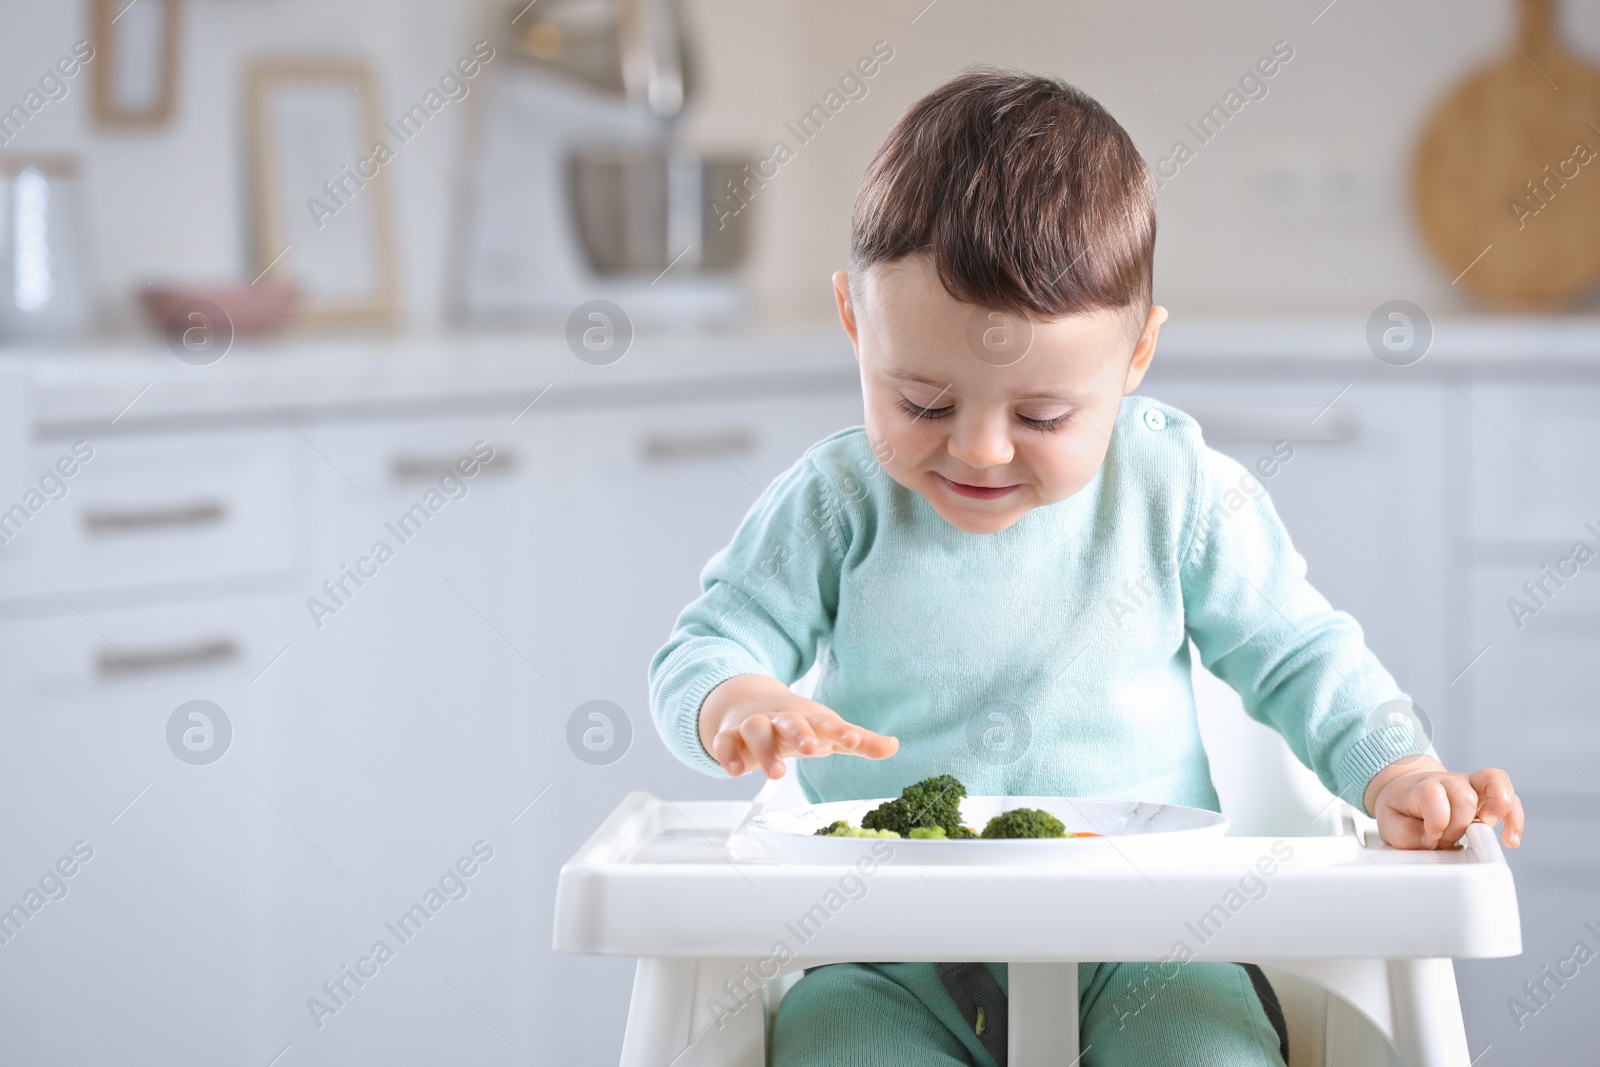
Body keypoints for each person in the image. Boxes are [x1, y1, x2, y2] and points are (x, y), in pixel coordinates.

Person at [647, 67, 1525, 1067]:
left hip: (1153, 939)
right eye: (923, 402)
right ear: (856, 321)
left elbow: (1297, 652)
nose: (978, 448)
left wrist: (1396, 769)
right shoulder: (836, 501)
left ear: (1136, 353)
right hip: (882, 952)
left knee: (1208, 1050)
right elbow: (702, 645)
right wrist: (737, 698)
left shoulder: (1177, 489)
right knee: (829, 1042)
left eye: (1042, 414)